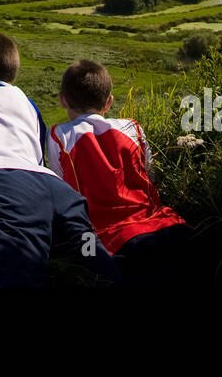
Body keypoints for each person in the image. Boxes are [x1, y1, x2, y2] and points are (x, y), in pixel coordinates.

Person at [0, 31, 121, 287]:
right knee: (93, 257)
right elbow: (37, 149)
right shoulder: (27, 102)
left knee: (11, 274)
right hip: (55, 190)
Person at [48, 59, 191, 286]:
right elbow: (151, 176)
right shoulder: (132, 127)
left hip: (108, 244)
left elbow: (62, 193)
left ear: (63, 99)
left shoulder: (58, 135)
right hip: (164, 225)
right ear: (109, 102)